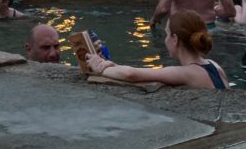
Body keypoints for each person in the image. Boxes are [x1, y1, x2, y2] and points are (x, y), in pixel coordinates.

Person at [86, 9, 228, 89]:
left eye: (166, 35)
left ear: (175, 39)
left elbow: (131, 75)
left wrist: (100, 68)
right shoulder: (214, 66)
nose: (165, 39)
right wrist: (111, 64)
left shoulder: (186, 72)